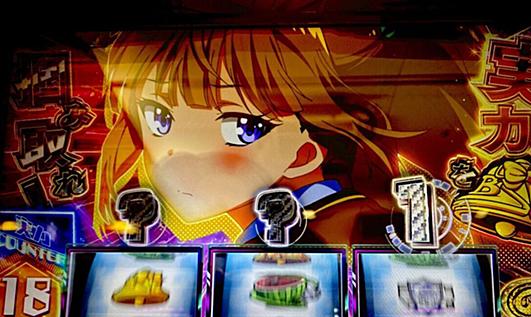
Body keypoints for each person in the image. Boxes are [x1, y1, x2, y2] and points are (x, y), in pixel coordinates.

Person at [92, 28, 475, 244]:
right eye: (158, 119)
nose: (179, 151)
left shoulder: (336, 226)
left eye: (240, 127)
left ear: (305, 152)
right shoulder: (274, 231)